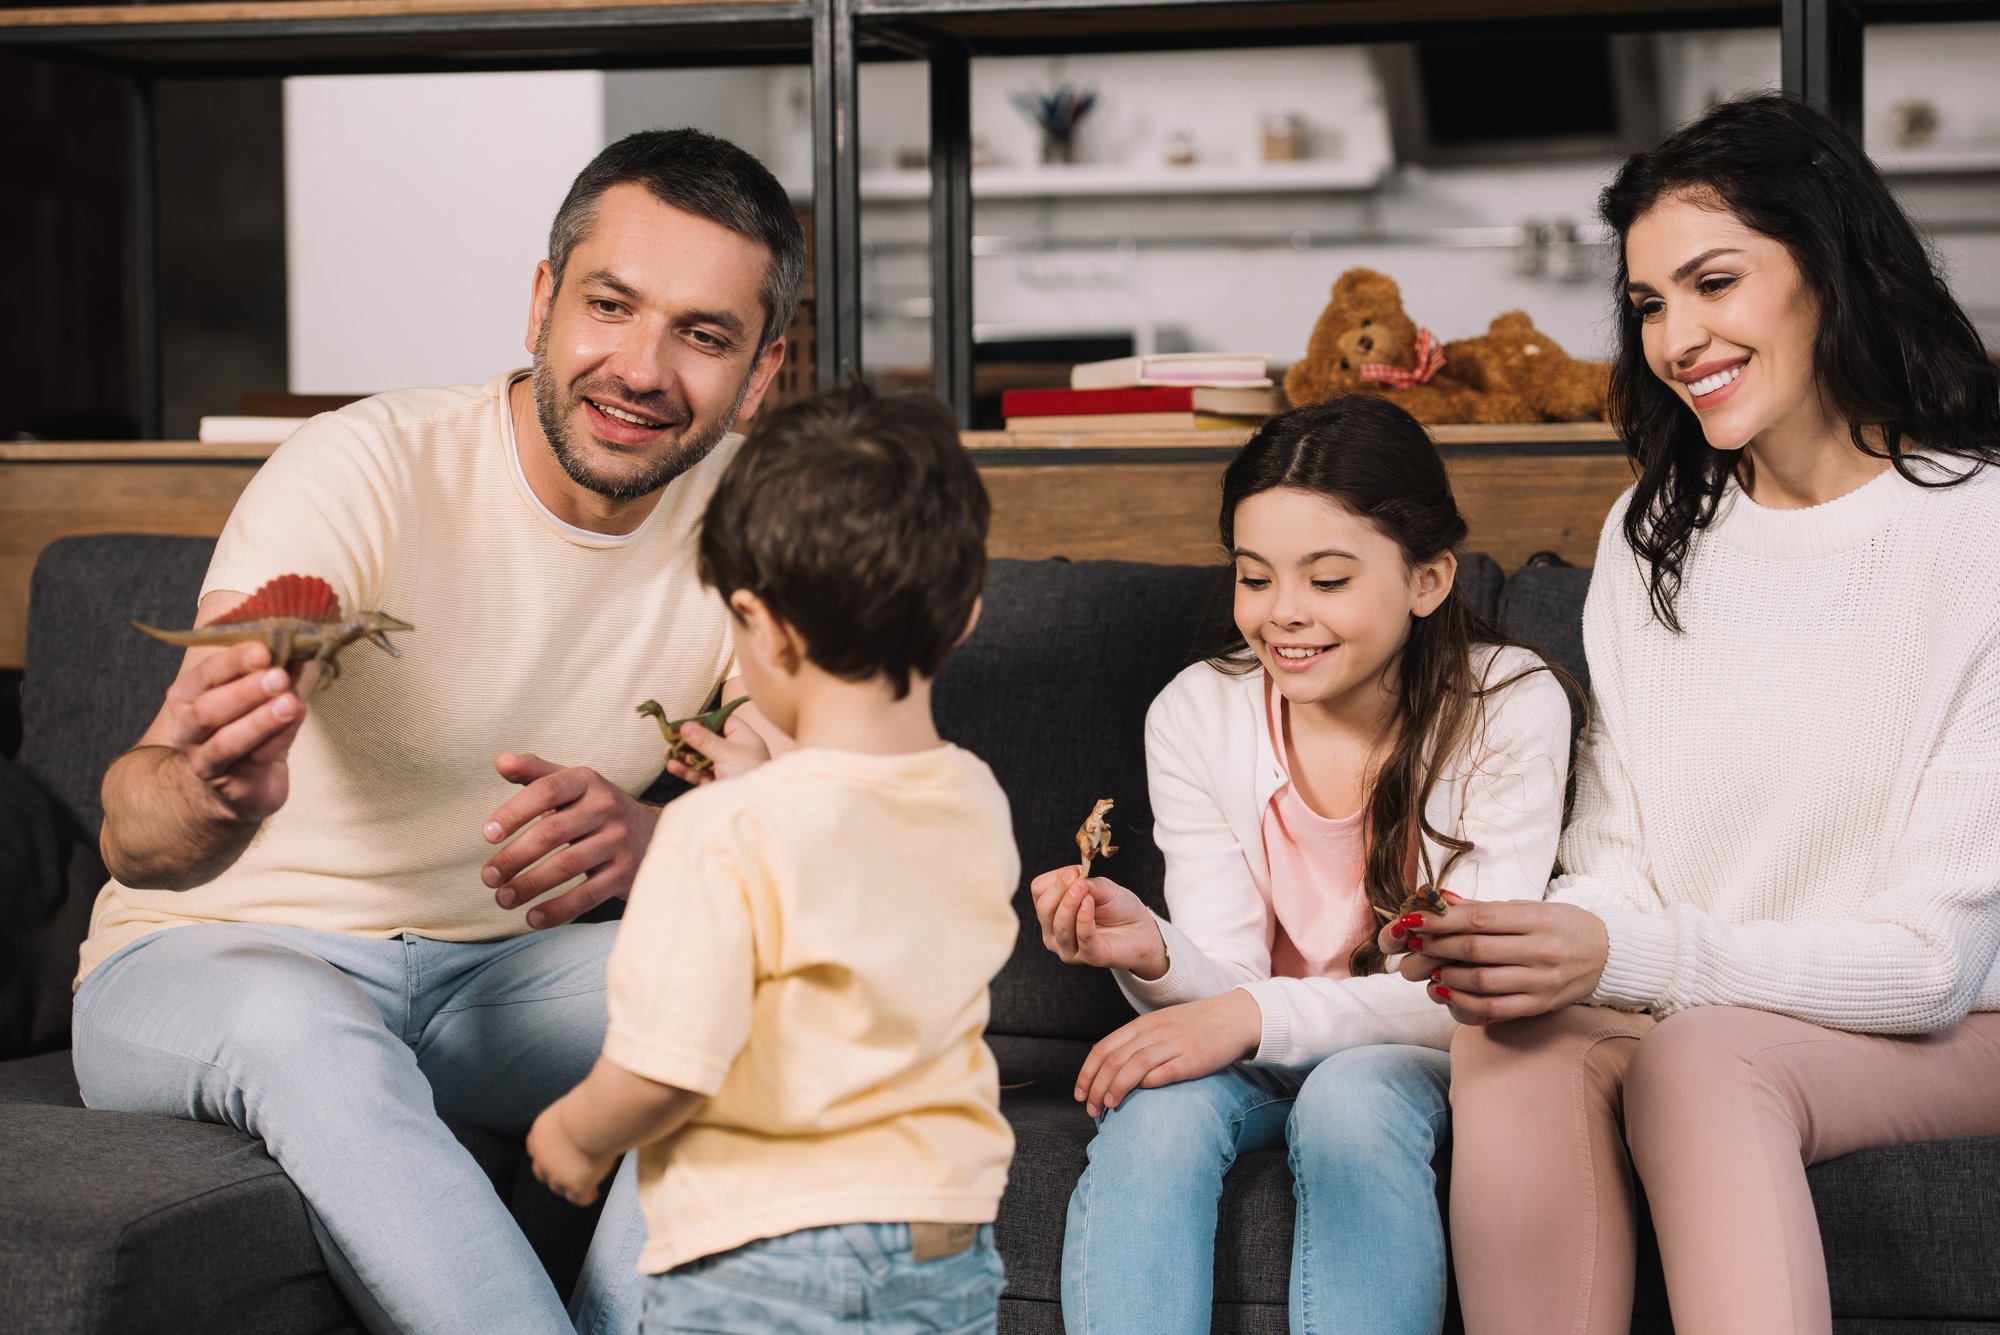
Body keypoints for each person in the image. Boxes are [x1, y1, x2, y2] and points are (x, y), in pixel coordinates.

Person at [71, 127, 805, 1335]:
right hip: (219, 964)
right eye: (609, 305)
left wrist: (658, 840)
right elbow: (135, 835)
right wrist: (213, 791)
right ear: (540, 300)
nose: (641, 367)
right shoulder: (364, 467)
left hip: (494, 983)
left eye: (704, 334)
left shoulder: (764, 534)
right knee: (299, 1023)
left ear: (762, 372)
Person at [1389, 93, 2000, 1335]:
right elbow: (1619, 866)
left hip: (1948, 1023)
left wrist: (1631, 957)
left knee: (1699, 1059)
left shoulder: (1974, 534)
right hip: (1700, 996)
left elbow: (1932, 968)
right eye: (1648, 304)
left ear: (1825, 265)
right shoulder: (1653, 533)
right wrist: (1524, 941)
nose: (1676, 338)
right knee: (1514, 1045)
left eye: (1712, 283)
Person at [1030, 395, 1575, 1334]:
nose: (1283, 615)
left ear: (1428, 579)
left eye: (1327, 580)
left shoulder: (1510, 704)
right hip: (1259, 1046)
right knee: (1154, 1118)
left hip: (1427, 1048)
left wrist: (1246, 1015)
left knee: (1353, 1099)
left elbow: (1469, 984)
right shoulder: (1198, 712)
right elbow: (1226, 984)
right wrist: (1151, 950)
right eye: (1255, 577)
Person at [525, 384, 1018, 1334]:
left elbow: (668, 1067)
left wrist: (576, 1136)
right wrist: (760, 773)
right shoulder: (972, 800)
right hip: (945, 1235)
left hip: (767, 1255)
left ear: (764, 626)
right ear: (963, 617)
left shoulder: (725, 833)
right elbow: (856, 887)